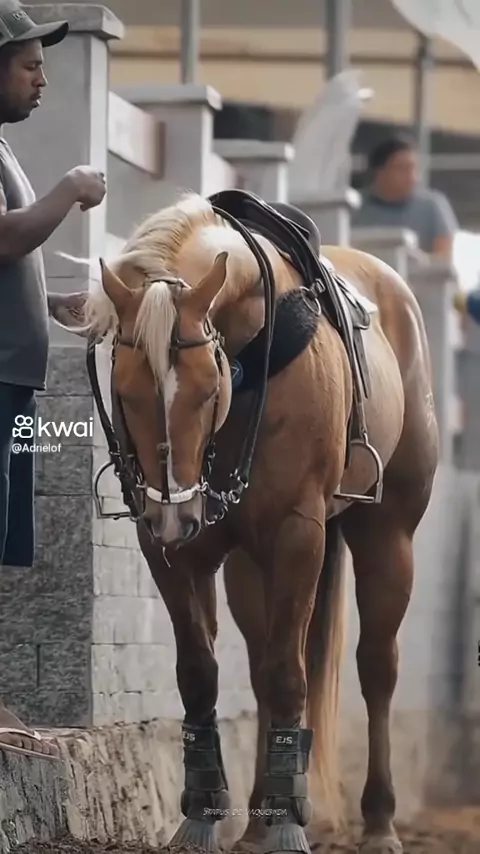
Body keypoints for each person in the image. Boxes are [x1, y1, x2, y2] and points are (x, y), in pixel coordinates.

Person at [0, 0, 106, 760]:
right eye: (30, 66)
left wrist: (50, 303)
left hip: (12, 382)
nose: (42, 80)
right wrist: (69, 188)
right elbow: (5, 238)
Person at [352, 134, 459, 262]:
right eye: (402, 169)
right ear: (379, 172)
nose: (412, 177)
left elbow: (444, 260)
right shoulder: (353, 207)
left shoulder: (433, 206)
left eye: (414, 169)